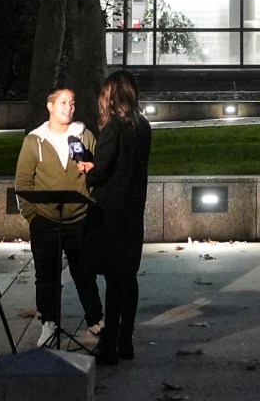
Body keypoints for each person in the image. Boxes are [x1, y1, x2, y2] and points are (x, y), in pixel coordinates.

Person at [13, 86, 103, 348]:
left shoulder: (83, 136)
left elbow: (97, 171)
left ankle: (96, 320)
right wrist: (33, 216)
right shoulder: (34, 141)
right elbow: (23, 182)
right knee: (47, 275)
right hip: (45, 221)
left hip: (79, 219)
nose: (69, 107)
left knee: (84, 272)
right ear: (50, 106)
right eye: (63, 102)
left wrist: (90, 175)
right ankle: (49, 323)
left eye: (72, 102)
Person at [82, 70, 153, 364]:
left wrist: (86, 166)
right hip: (133, 209)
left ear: (110, 96)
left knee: (113, 278)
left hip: (110, 211)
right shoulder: (143, 125)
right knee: (128, 276)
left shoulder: (113, 127)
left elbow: (101, 173)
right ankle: (126, 340)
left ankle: (108, 344)